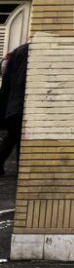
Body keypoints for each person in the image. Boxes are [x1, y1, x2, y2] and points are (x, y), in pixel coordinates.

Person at [0, 43, 28, 177]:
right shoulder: (29, 51)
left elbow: (6, 81)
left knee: (13, 136)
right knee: (20, 138)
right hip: (21, 102)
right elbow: (23, 79)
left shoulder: (18, 51)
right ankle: (22, 171)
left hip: (13, 102)